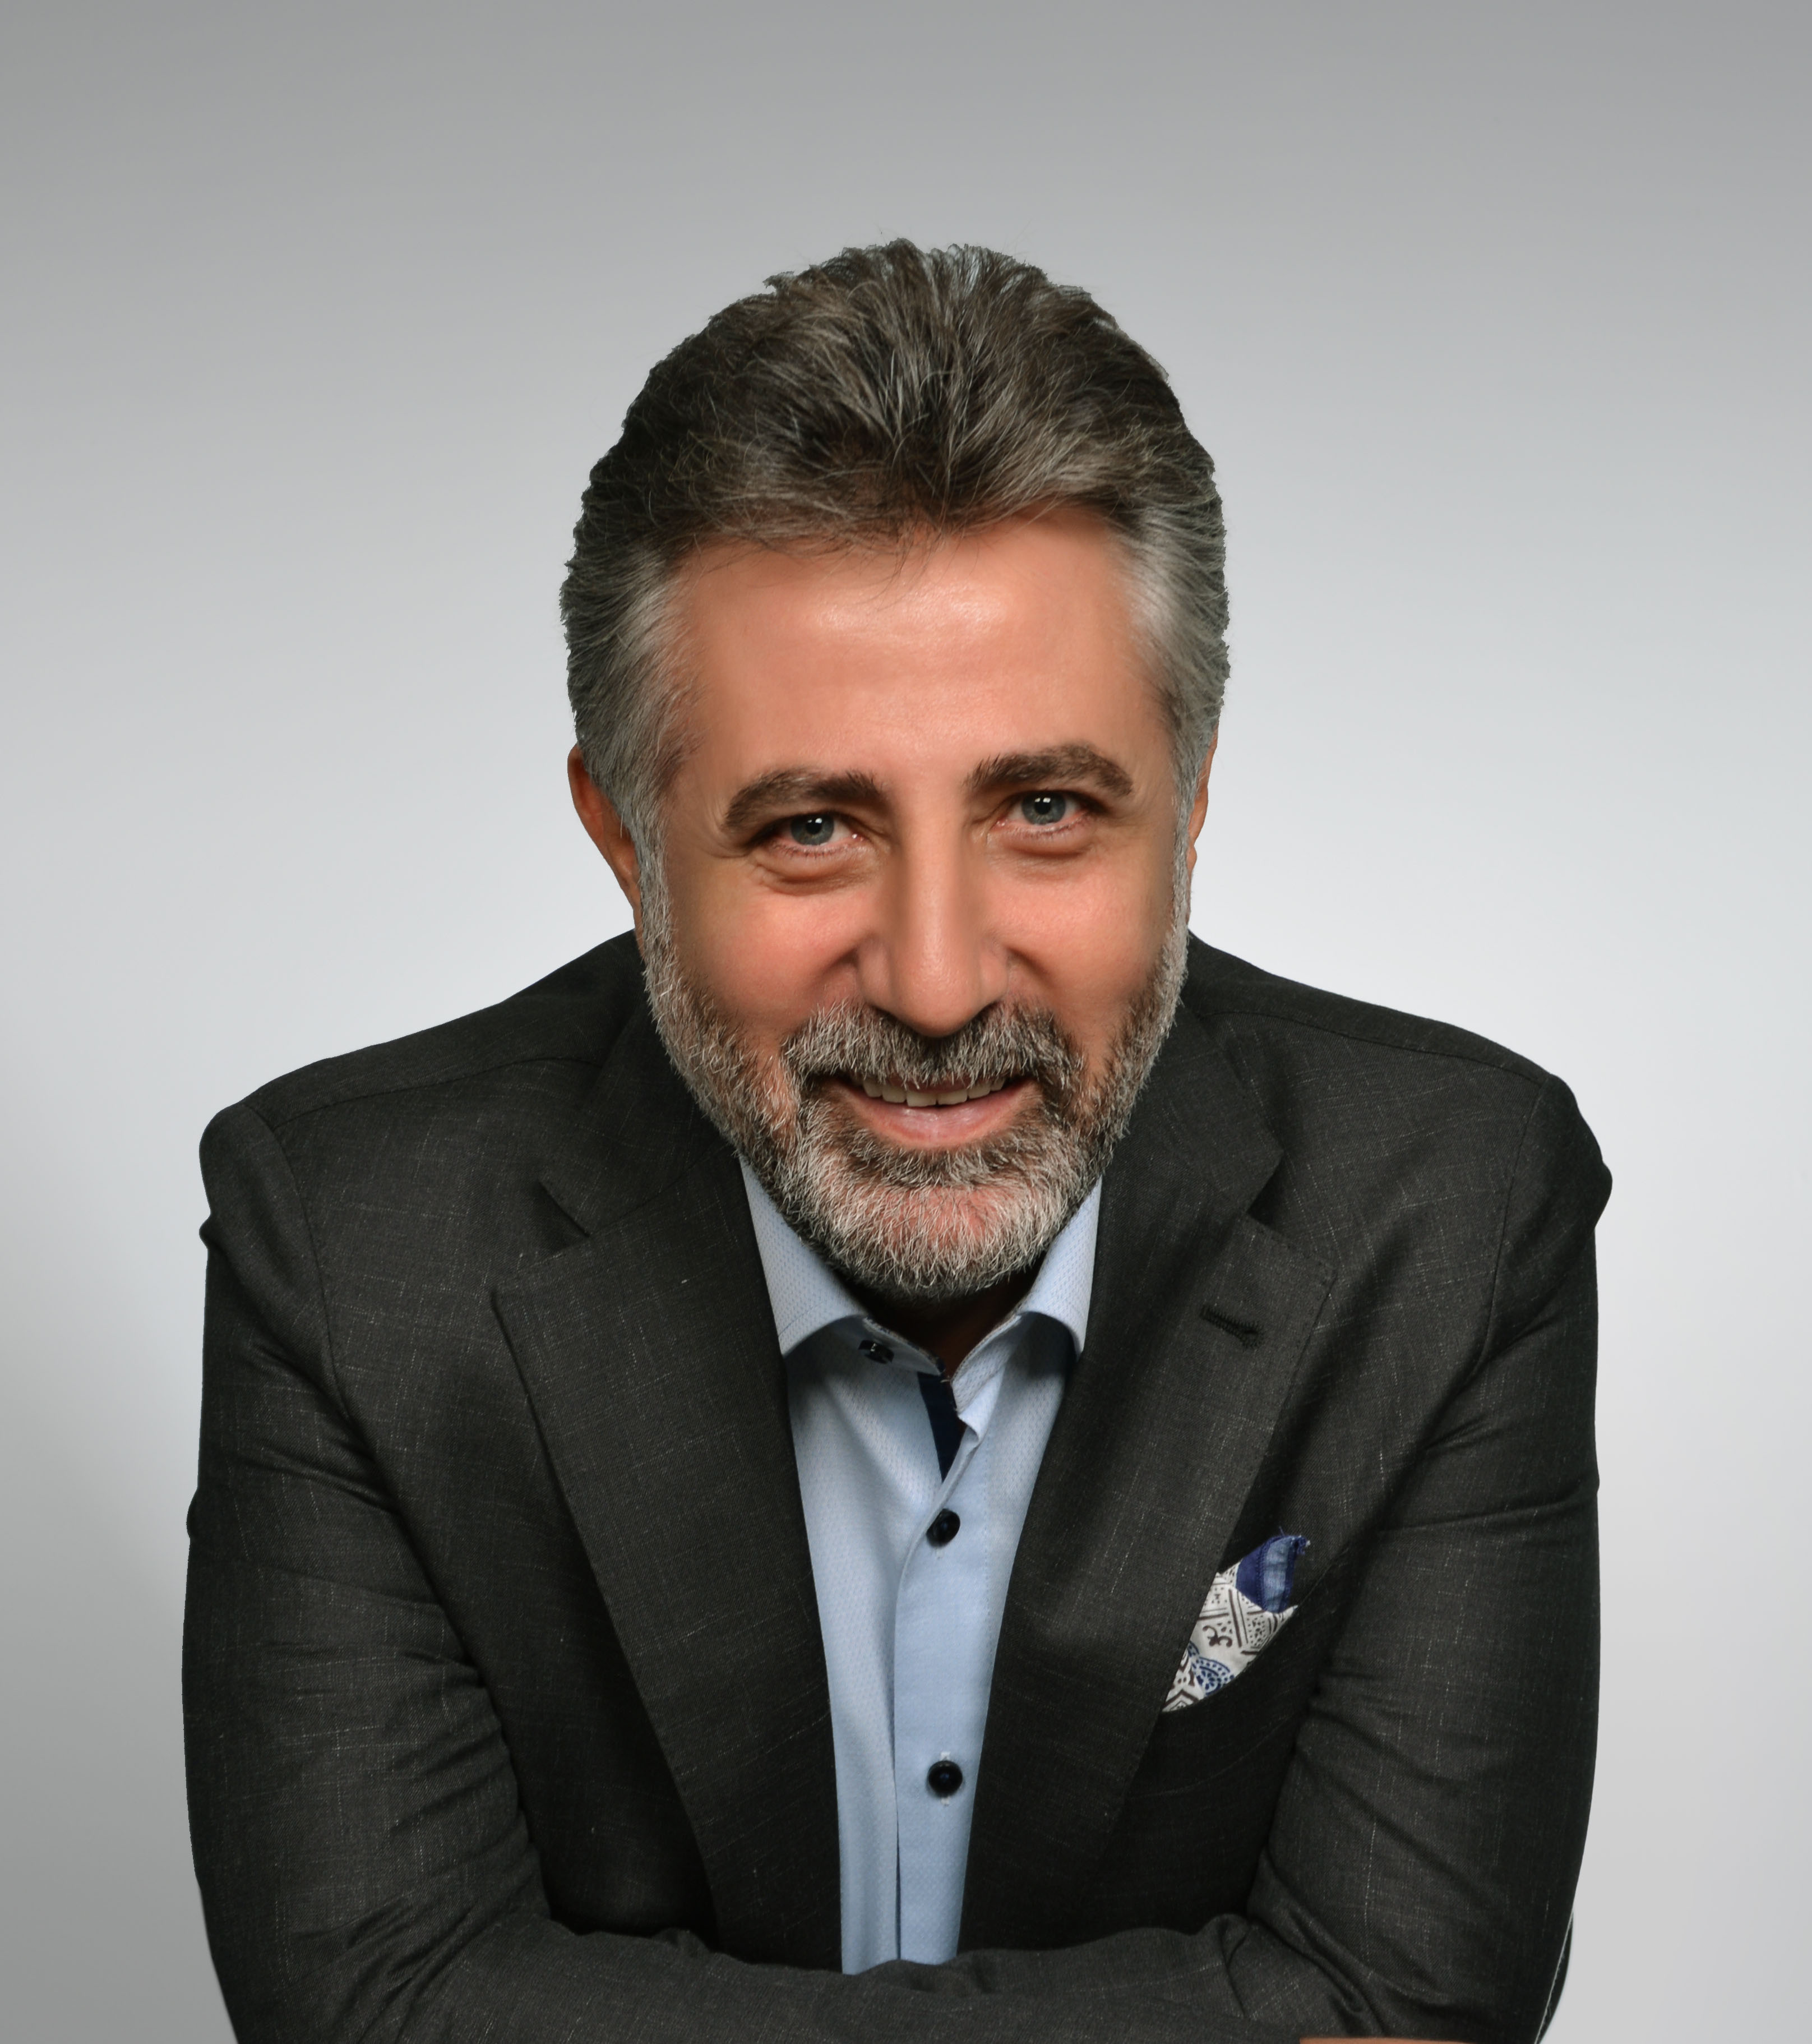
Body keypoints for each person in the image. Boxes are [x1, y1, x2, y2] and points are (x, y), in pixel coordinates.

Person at [183, 242, 1607, 2044]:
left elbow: (1410, 2010)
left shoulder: (1452, 1211)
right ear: (627, 843)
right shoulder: (351, 1245)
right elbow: (375, 2011)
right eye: (810, 830)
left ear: (1190, 804)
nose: (938, 985)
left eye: (1045, 808)